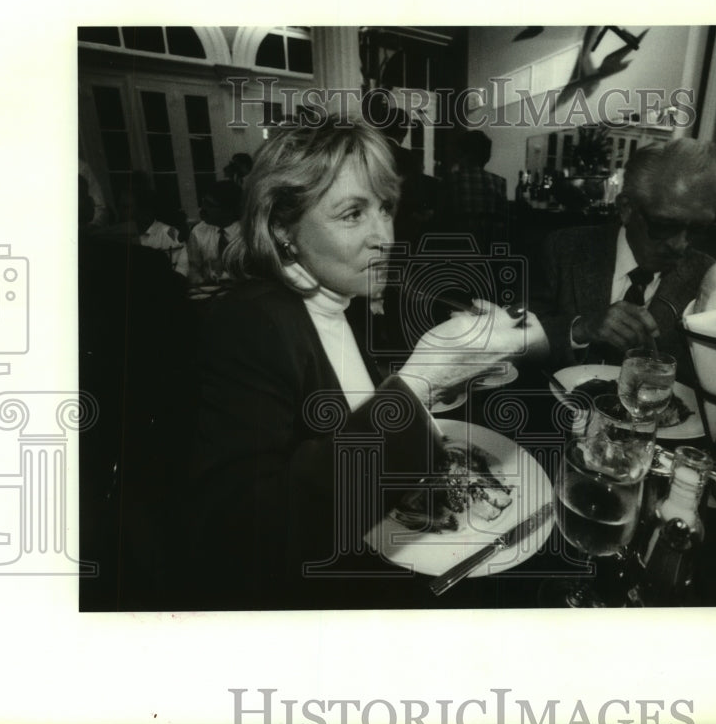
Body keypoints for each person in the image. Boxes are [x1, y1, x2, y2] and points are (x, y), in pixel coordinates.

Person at [185, 117, 539, 609]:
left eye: (386, 208)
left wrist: (439, 384)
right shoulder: (248, 323)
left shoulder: (336, 297)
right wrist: (418, 385)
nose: (384, 236)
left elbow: (347, 411)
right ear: (283, 228)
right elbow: (250, 538)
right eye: (352, 214)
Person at [530, 138, 716, 380]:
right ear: (626, 208)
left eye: (699, 229)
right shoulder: (563, 249)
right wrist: (580, 329)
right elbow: (520, 339)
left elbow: (710, 377)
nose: (680, 245)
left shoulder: (708, 278)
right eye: (664, 225)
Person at [435, 129, 508, 252]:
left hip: (457, 249)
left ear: (462, 154)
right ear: (487, 157)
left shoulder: (451, 180)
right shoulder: (499, 182)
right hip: (488, 250)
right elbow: (503, 220)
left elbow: (440, 218)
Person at [185, 179, 242, 285]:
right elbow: (193, 268)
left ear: (228, 211)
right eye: (203, 202)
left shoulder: (246, 232)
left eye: (210, 205)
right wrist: (200, 282)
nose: (203, 209)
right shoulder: (198, 231)